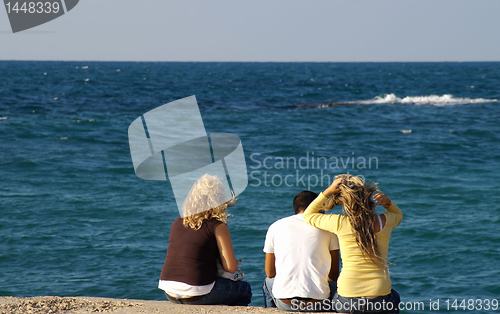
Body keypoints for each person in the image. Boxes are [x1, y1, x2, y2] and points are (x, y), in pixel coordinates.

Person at [303, 174, 402, 313]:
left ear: (345, 202)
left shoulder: (340, 223)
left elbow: (309, 215)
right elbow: (398, 215)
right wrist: (388, 204)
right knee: (395, 297)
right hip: (380, 297)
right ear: (370, 200)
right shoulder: (384, 221)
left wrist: (328, 191)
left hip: (349, 297)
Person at [158, 174, 252, 306]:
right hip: (197, 293)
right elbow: (230, 267)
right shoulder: (218, 226)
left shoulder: (177, 223)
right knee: (244, 289)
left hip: (170, 291)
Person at [262, 190, 340, 312]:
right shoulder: (328, 229)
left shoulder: (275, 226)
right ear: (319, 206)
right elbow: (334, 274)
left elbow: (270, 272)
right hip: (318, 303)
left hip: (286, 303)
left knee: (268, 282)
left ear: (296, 208)